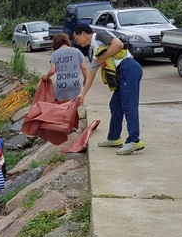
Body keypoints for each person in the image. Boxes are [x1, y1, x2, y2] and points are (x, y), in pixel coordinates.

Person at [73, 23, 144, 155]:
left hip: (129, 68)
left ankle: (134, 140)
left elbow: (118, 45)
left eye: (76, 38)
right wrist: (82, 94)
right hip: (120, 75)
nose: (76, 41)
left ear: (83, 33)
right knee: (115, 105)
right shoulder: (93, 50)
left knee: (129, 106)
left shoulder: (100, 35)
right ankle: (114, 138)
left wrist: (102, 58)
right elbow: (92, 73)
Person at [41, 33, 88, 101]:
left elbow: (52, 70)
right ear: (67, 41)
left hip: (62, 86)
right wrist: (85, 80)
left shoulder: (55, 54)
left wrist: (46, 77)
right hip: (75, 84)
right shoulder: (77, 51)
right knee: (74, 105)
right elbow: (84, 68)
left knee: (61, 107)